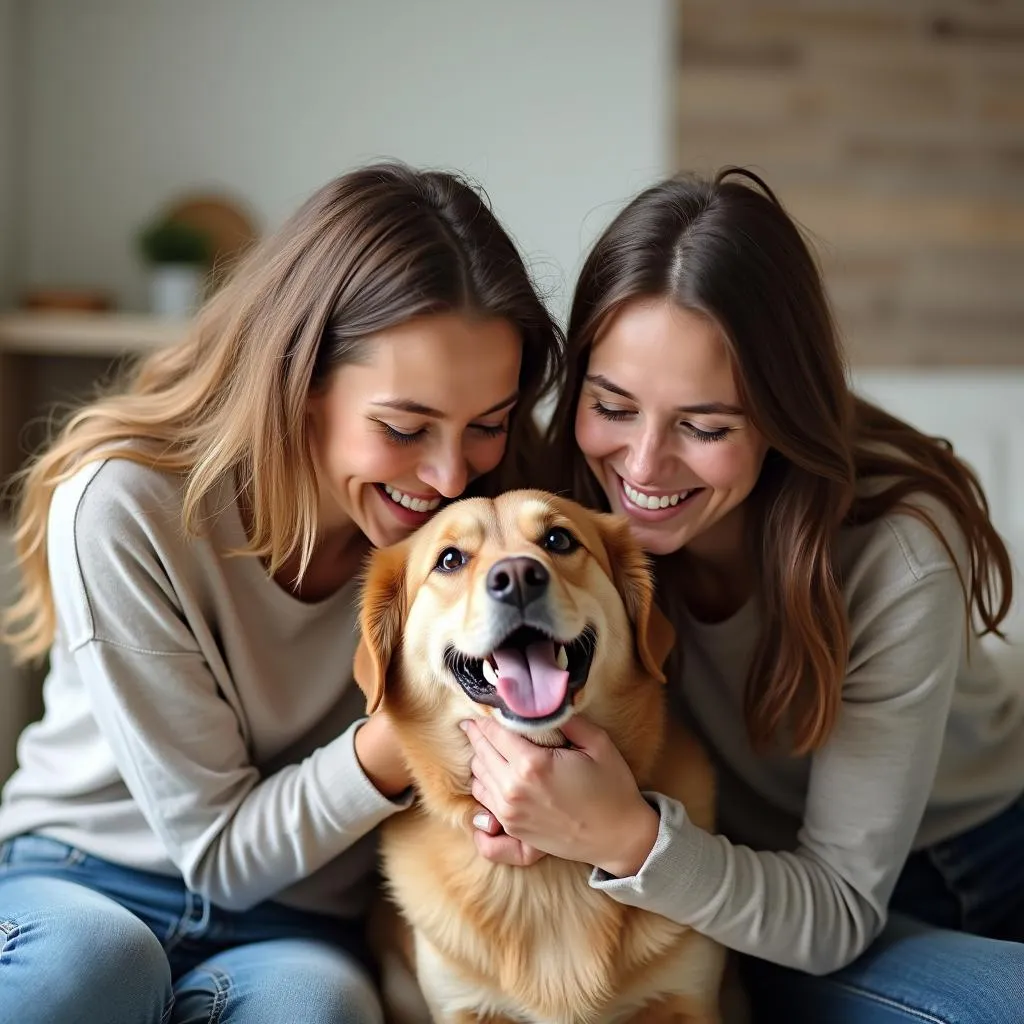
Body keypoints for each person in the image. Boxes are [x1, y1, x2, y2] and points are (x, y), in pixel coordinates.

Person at [0, 162, 562, 1024]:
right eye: (404, 428)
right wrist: (408, 737)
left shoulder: (483, 529)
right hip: (85, 874)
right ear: (300, 378)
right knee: (96, 964)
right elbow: (217, 851)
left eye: (486, 425)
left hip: (296, 921)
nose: (451, 473)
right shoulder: (125, 505)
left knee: (319, 1010)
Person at [461, 168, 1024, 1022]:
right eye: (612, 406)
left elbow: (835, 910)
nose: (643, 469)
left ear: (782, 416)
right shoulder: (555, 514)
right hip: (729, 861)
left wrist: (626, 837)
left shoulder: (897, 554)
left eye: (706, 427)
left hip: (954, 857)